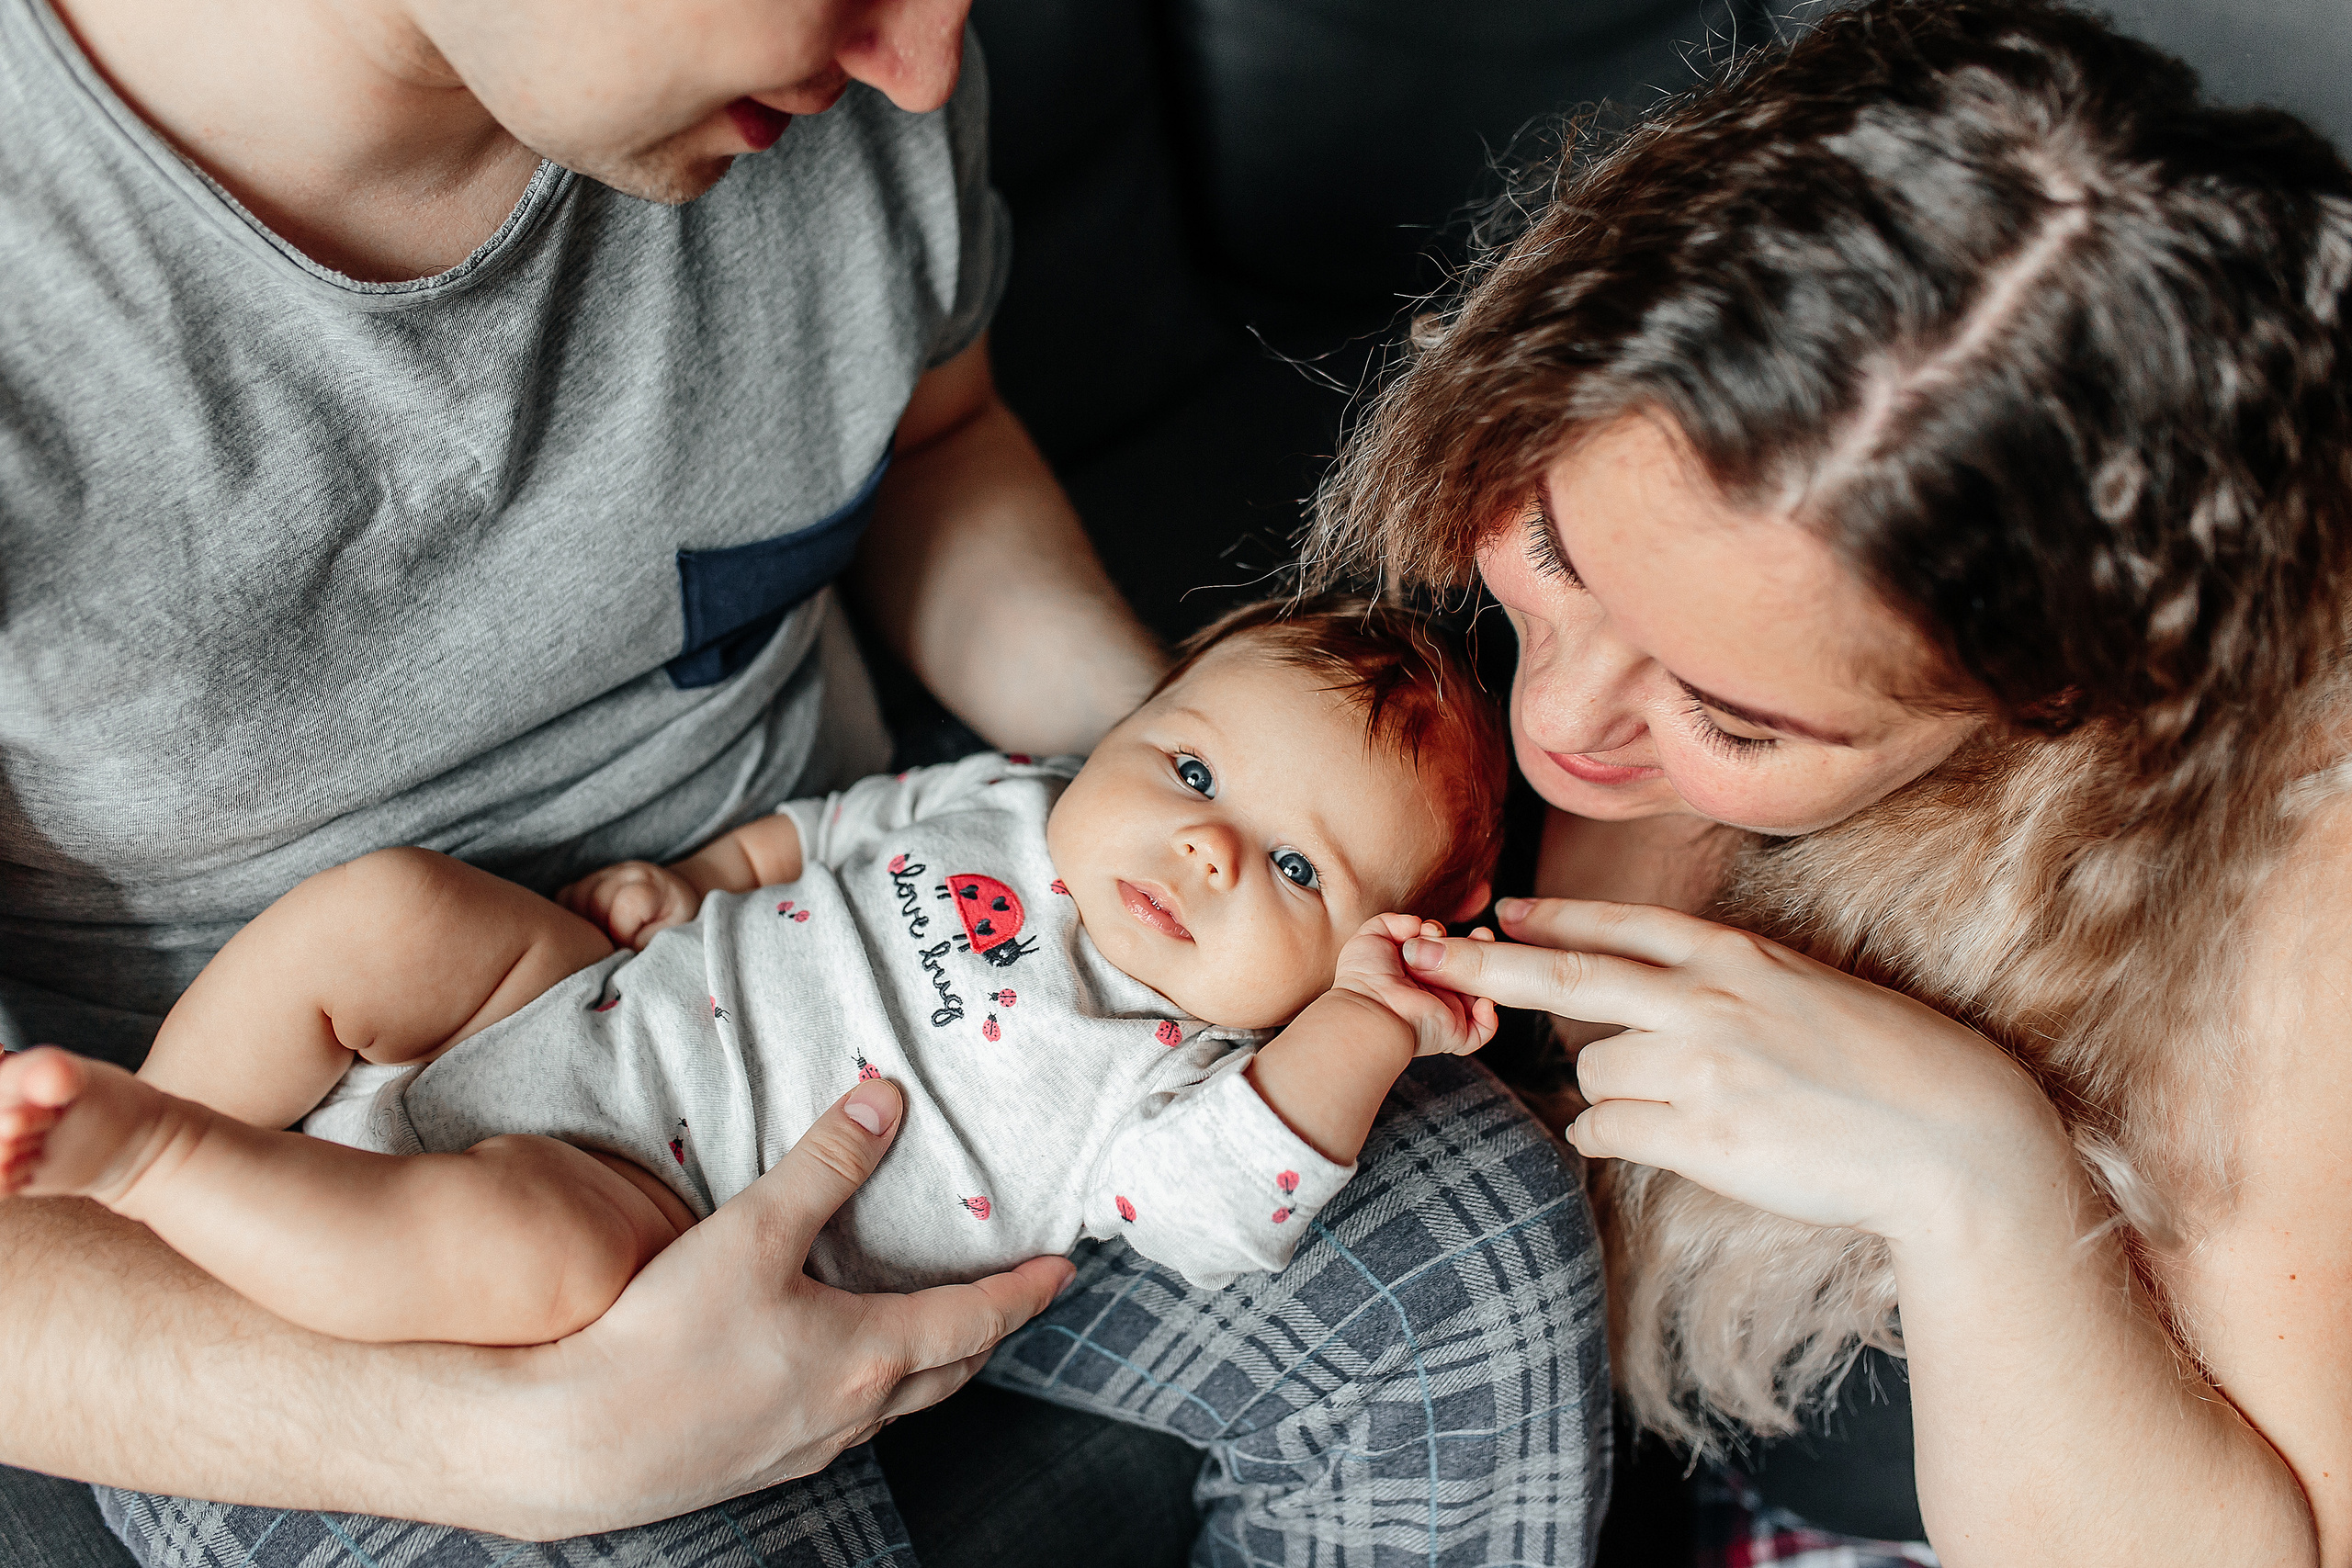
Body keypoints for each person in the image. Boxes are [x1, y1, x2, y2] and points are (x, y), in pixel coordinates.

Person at [0, 0, 1604, 1561]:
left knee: (1473, 1254)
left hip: (728, 988)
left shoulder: (853, 90)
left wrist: (1194, 781)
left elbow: (933, 439)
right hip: (266, 1124)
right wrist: (524, 1446)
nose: (924, 69)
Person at [1306, 2, 2352, 1564]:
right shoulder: (1558, 444)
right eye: (1554, 556)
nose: (1569, 719)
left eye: (1736, 720)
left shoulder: (2294, 895)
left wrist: (1972, 1173)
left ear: (2055, 698)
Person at [0, 599, 1509, 1338]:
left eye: (1298, 872)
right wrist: (710, 875)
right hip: (587, 997)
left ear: (1331, 975)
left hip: (664, 1214)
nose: (1206, 851)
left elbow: (1222, 1210)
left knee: (531, 1251)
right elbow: (838, 825)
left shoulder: (1170, 1079)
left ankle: (165, 1167)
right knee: (388, 911)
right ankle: (129, 1154)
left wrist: (1368, 1032)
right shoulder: (1016, 801)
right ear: (1132, 727)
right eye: (1188, 768)